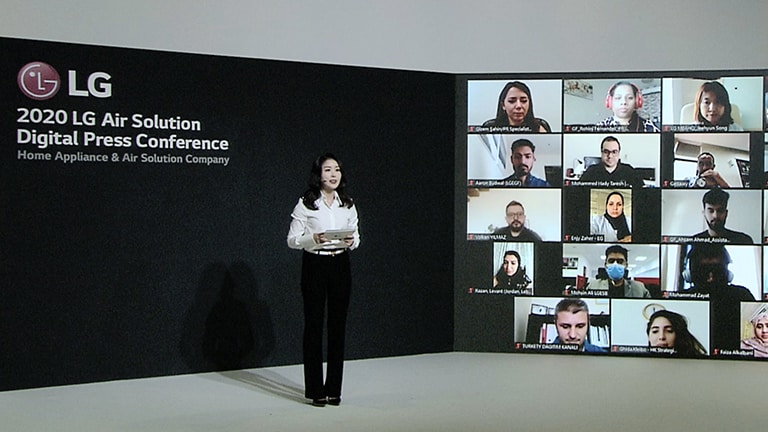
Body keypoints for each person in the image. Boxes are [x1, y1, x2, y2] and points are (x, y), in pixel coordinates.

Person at [286, 153, 361, 407]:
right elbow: (292, 240)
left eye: (337, 170)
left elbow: (357, 236)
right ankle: (316, 390)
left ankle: (334, 389)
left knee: (338, 327)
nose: (334, 174)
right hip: (315, 264)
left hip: (340, 263)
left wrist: (352, 241)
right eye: (328, 170)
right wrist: (313, 239)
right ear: (318, 174)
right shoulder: (306, 203)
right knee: (314, 326)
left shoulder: (347, 203)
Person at [683, 244, 755, 350]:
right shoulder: (682, 298)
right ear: (690, 274)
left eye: (717, 271)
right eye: (703, 271)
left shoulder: (743, 295)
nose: (710, 278)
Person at [482, 81, 552, 132]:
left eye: (524, 101)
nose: (518, 106)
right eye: (512, 101)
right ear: (503, 105)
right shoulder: (489, 127)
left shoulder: (540, 127)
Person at [578, 136, 646, 188]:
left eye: (614, 152)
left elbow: (642, 192)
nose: (610, 156)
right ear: (601, 153)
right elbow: (578, 192)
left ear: (619, 153)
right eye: (606, 152)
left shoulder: (629, 171)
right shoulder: (591, 171)